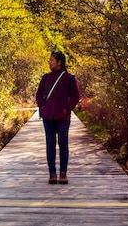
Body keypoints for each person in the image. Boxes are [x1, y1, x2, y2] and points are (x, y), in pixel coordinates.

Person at [36, 50, 81, 185]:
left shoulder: (70, 78)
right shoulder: (46, 78)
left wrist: (66, 108)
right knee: (50, 144)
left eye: (52, 60)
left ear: (59, 62)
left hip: (62, 117)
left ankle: (63, 173)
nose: (49, 62)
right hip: (48, 117)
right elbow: (39, 95)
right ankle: (52, 173)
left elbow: (76, 97)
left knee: (63, 144)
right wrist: (43, 106)